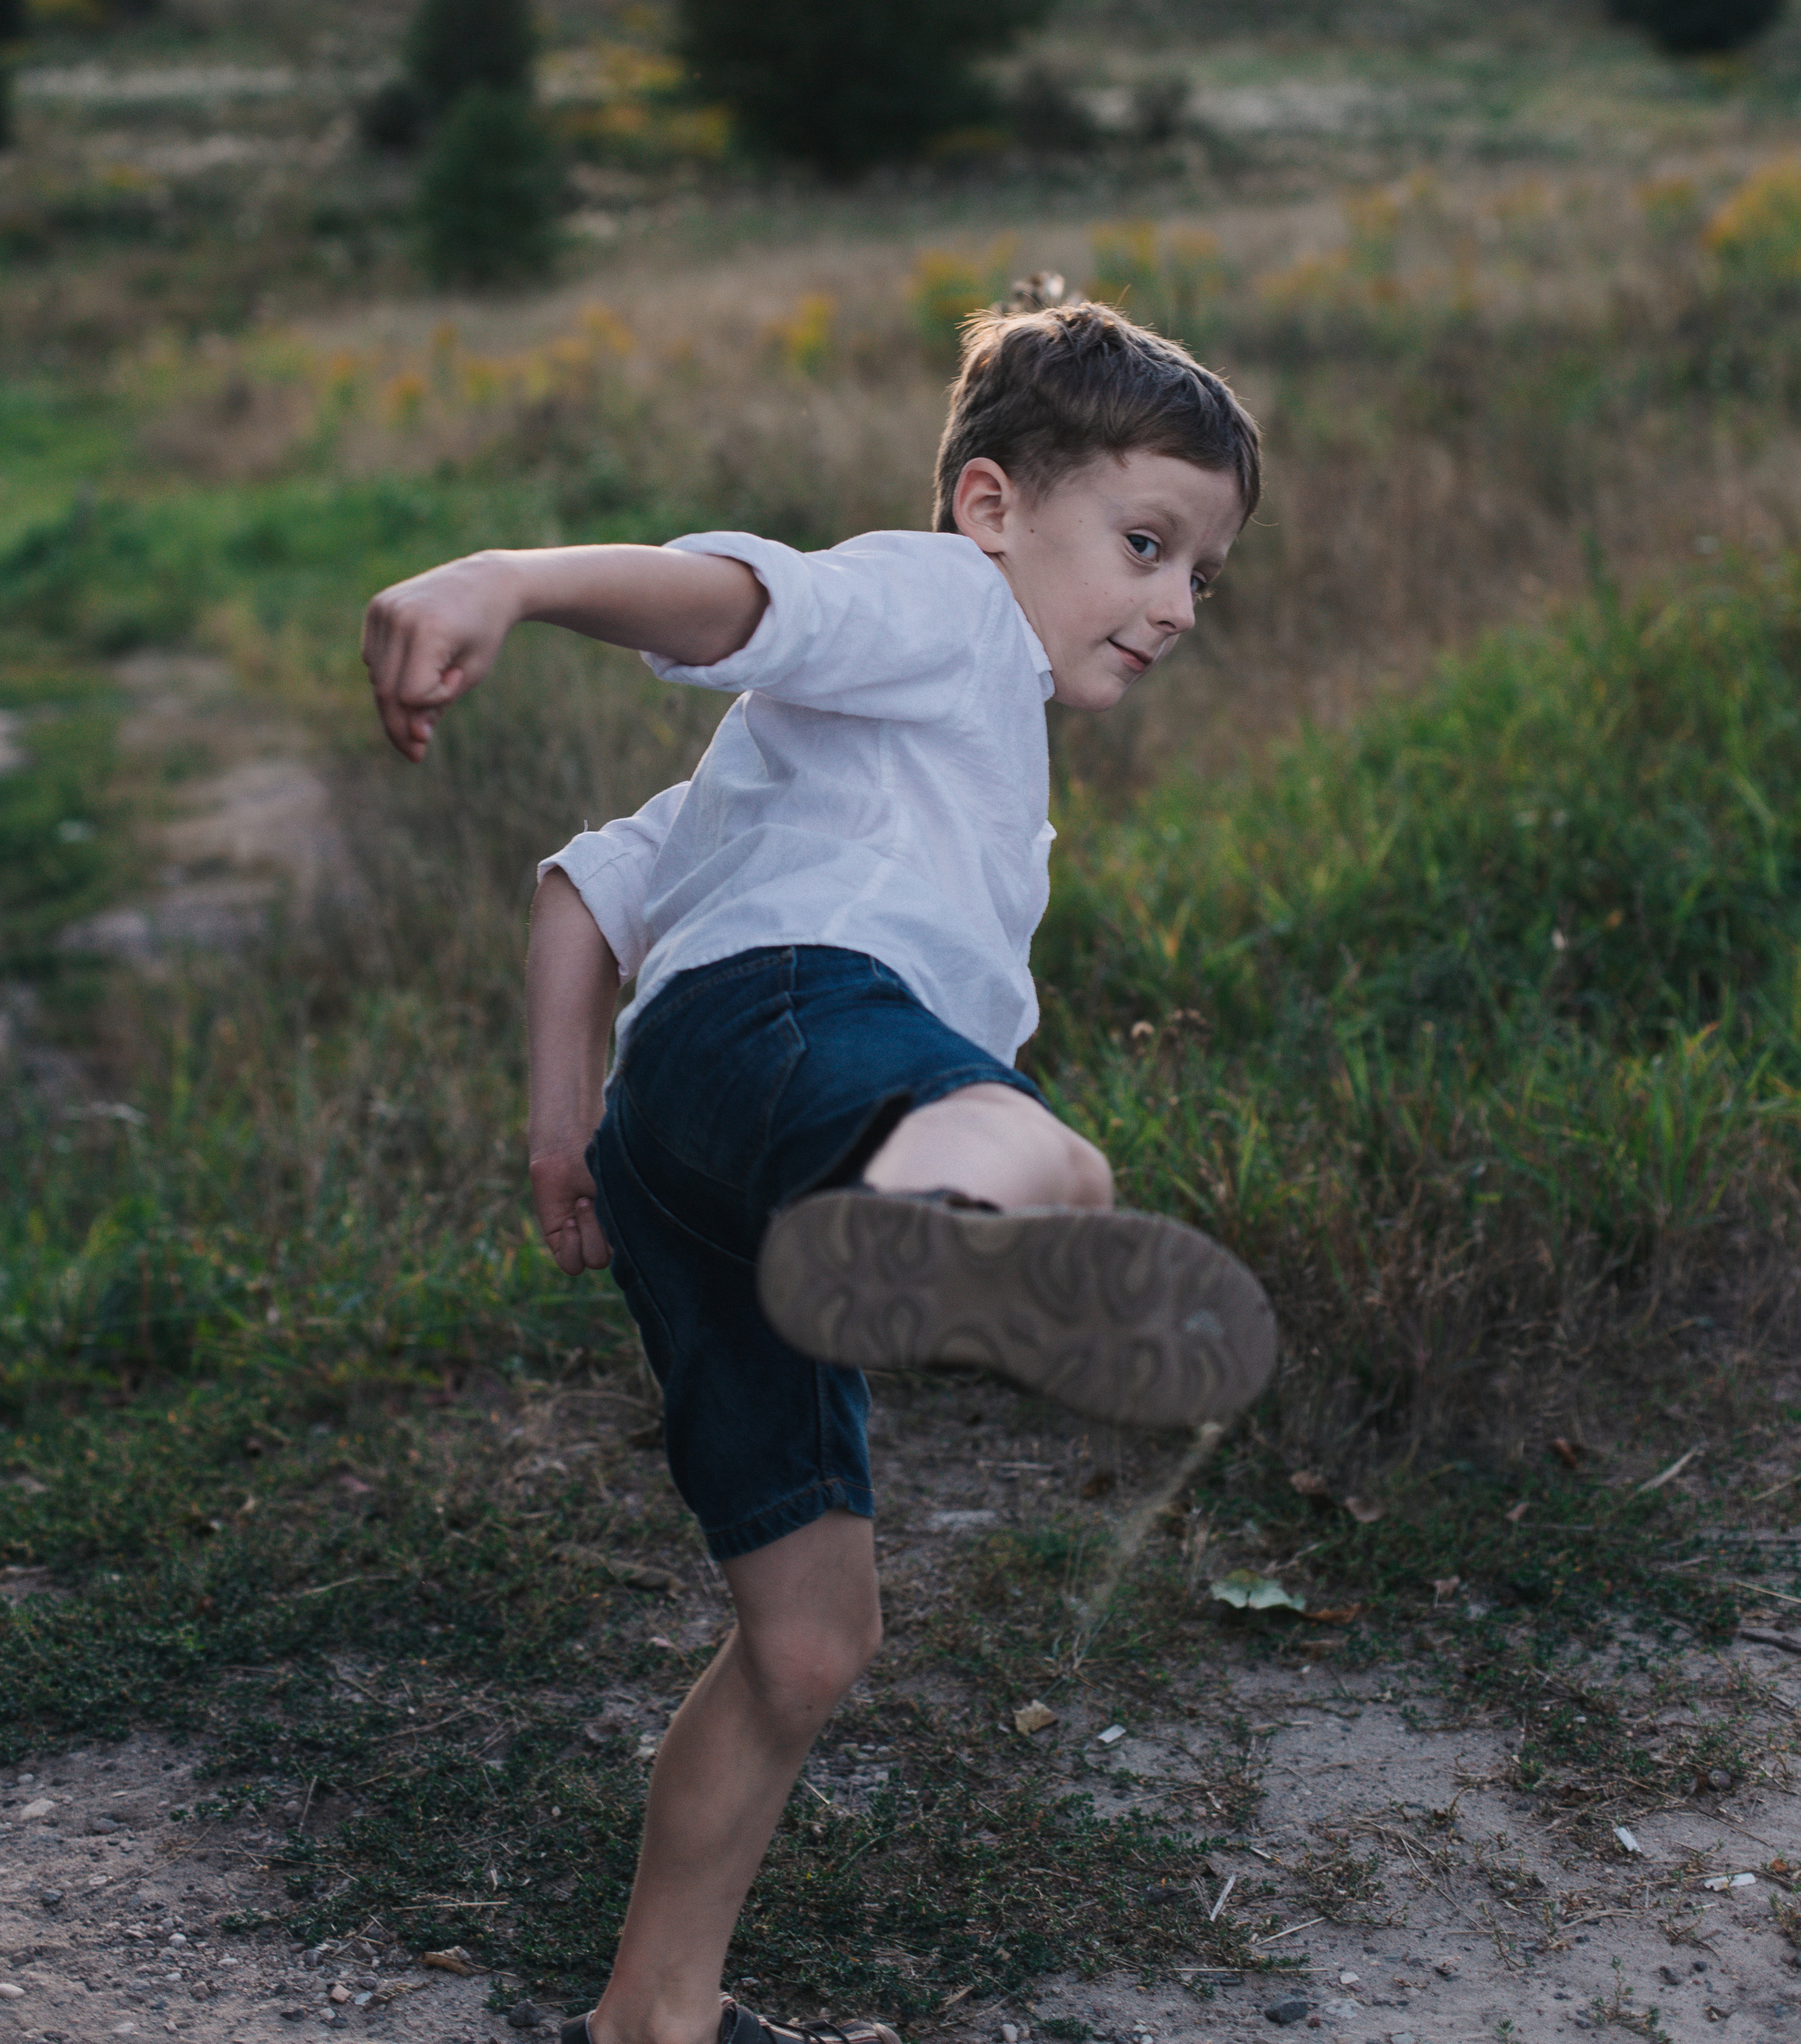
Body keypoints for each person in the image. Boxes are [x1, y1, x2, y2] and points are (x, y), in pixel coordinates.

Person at [360, 298, 1277, 2044]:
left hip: (685, 1148)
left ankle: (652, 2015)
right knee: (1045, 1154)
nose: (1170, 606)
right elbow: (744, 593)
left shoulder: (792, 768)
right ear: (992, 504)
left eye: (1201, 579)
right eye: (1146, 546)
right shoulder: (943, 609)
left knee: (806, 1641)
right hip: (797, 1035)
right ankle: (949, 1225)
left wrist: (565, 1132)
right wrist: (511, 576)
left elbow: (583, 890)